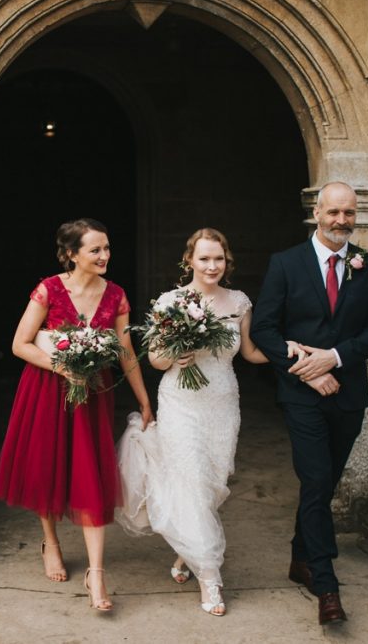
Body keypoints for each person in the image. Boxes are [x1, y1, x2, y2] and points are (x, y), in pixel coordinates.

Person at [0, 218, 153, 613]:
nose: (104, 256)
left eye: (107, 248)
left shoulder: (115, 295)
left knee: (91, 476)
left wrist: (145, 401)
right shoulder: (48, 289)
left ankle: (96, 574)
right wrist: (61, 366)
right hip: (47, 389)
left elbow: (126, 351)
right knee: (49, 466)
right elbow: (19, 344)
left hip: (92, 397)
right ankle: (51, 540)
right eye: (95, 249)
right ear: (71, 254)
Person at [249, 181, 368, 625]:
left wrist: (333, 358)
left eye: (348, 213)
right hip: (302, 396)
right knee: (315, 479)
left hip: (348, 394)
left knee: (324, 484)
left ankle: (299, 558)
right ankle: (327, 586)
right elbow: (264, 330)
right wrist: (306, 368)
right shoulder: (285, 264)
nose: (341, 221)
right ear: (317, 211)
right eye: (333, 212)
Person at [118, 228, 276, 617]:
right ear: (189, 260)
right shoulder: (172, 301)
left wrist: (291, 352)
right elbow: (154, 359)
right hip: (181, 403)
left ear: (227, 262)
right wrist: (177, 355)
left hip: (223, 402)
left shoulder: (239, 302)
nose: (211, 266)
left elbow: (252, 351)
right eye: (204, 258)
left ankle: (186, 554)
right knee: (189, 478)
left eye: (218, 259)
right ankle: (210, 576)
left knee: (212, 483)